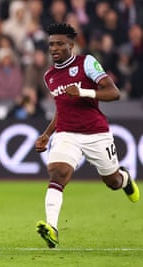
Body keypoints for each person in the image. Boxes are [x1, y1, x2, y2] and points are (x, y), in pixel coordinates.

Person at [34, 23, 140, 249]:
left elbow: (114, 93)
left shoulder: (86, 63)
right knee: (57, 174)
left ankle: (124, 178)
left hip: (95, 132)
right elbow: (61, 108)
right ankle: (51, 229)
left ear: (71, 45)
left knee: (111, 182)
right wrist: (47, 133)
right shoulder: (50, 75)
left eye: (60, 43)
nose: (54, 48)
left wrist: (84, 91)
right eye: (51, 44)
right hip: (66, 133)